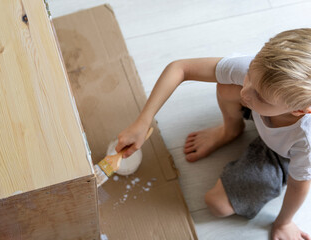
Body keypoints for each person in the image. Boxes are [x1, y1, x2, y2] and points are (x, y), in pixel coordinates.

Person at [115, 28, 311, 239]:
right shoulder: (259, 72)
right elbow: (180, 68)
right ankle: (230, 130)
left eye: (261, 97)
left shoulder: (305, 140)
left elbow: (299, 185)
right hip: (272, 118)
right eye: (250, 76)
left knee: (217, 205)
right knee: (228, 85)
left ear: (299, 110)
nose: (245, 92)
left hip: (284, 155)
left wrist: (284, 222)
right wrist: (143, 121)